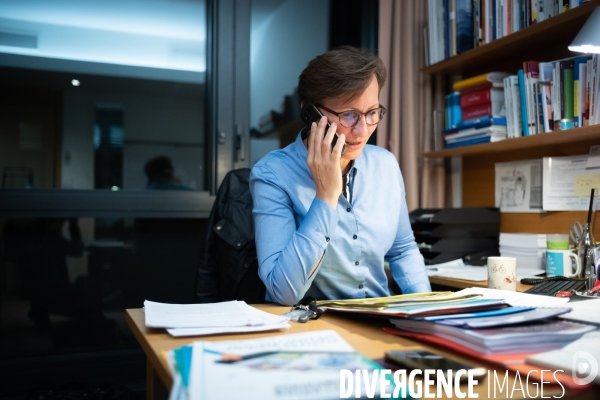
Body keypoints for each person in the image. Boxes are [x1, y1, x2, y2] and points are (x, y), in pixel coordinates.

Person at [250, 46, 431, 306]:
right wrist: (325, 195)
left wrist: (427, 307)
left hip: (380, 319)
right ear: (309, 112)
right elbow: (284, 292)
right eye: (348, 115)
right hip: (314, 326)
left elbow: (402, 250)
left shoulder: (385, 164)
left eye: (372, 113)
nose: (362, 130)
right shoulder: (272, 174)